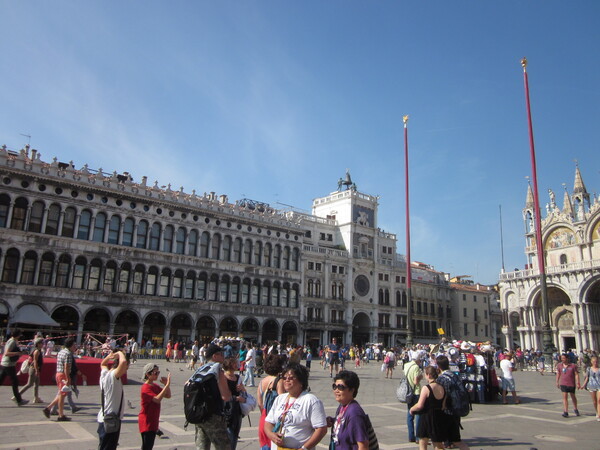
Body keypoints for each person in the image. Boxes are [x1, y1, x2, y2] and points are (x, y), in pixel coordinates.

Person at [265, 363, 328, 450]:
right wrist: (271, 434)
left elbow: (321, 429)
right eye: (284, 378)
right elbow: (268, 422)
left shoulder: (311, 400)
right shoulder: (280, 398)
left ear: (301, 381)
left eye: (291, 378)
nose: (287, 380)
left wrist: (304, 448)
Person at [191, 343, 232, 450]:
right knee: (224, 446)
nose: (224, 356)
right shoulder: (217, 370)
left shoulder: (200, 370)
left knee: (202, 447)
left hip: (199, 414)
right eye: (221, 354)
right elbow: (226, 396)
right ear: (214, 356)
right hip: (213, 416)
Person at [327, 370, 369, 450]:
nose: (336, 390)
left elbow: (363, 445)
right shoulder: (342, 406)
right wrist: (333, 421)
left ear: (352, 390)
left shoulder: (354, 413)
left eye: (341, 387)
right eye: (334, 386)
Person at [436, 355, 470, 450]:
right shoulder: (455, 375)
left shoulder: (441, 378)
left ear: (438, 366)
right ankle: (452, 441)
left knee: (445, 429)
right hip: (457, 406)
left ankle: (448, 442)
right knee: (455, 430)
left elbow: (443, 394)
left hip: (447, 408)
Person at [97, 348, 129, 450]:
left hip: (103, 418)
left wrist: (110, 356)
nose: (126, 369)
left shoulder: (105, 374)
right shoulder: (113, 376)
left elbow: (103, 364)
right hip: (111, 420)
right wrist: (119, 353)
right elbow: (123, 362)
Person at [409, 366, 446, 450]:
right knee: (438, 444)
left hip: (426, 417)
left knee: (423, 441)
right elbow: (443, 405)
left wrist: (412, 409)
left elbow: (420, 405)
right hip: (439, 416)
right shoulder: (442, 387)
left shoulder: (426, 388)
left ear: (428, 375)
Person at [43, 337, 77, 421]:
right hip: (63, 375)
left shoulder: (61, 351)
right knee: (62, 395)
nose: (75, 346)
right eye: (74, 345)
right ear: (71, 345)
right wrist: (68, 378)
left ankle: (49, 409)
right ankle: (60, 415)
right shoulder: (68, 354)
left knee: (62, 394)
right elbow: (66, 367)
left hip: (58, 373)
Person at [139, 363, 171, 450]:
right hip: (146, 421)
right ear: (147, 374)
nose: (157, 375)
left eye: (158, 372)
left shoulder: (155, 386)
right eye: (155, 373)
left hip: (153, 420)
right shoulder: (145, 387)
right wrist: (167, 385)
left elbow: (168, 395)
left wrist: (166, 385)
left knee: (149, 445)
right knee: (147, 446)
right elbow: (157, 399)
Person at [257, 353, 286, 450]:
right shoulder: (279, 381)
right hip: (273, 420)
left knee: (265, 446)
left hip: (264, 417)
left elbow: (260, 404)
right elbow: (282, 401)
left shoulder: (262, 382)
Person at [223, 357, 247, 449]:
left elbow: (244, 393)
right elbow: (222, 395)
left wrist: (242, 389)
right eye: (234, 363)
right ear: (229, 365)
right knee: (228, 435)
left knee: (235, 434)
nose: (237, 364)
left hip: (237, 410)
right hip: (227, 409)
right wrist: (236, 398)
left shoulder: (237, 377)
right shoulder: (223, 377)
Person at [0, 329, 28, 406]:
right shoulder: (12, 341)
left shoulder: (13, 341)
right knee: (15, 382)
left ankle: (19, 400)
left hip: (6, 364)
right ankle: (19, 400)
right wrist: (17, 353)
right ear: (17, 335)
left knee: (1, 381)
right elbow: (7, 353)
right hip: (8, 364)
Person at [404, 352, 423, 443]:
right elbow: (416, 381)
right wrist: (421, 376)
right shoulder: (416, 367)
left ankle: (411, 436)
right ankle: (418, 437)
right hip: (416, 392)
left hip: (408, 392)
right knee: (418, 414)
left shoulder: (406, 365)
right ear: (417, 360)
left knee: (410, 414)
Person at [18, 337, 44, 403]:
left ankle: (36, 398)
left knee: (36, 384)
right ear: (38, 344)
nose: (43, 344)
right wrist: (36, 370)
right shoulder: (36, 351)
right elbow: (35, 361)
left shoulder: (38, 350)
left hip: (36, 369)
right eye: (41, 343)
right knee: (29, 384)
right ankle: (17, 395)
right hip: (33, 369)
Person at [556, 353, 581, 417]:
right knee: (565, 397)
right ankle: (565, 411)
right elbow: (558, 374)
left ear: (567, 358)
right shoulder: (559, 365)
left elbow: (576, 374)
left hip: (571, 383)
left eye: (563, 358)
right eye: (561, 358)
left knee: (573, 396)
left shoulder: (573, 366)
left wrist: (578, 382)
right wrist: (557, 381)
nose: (562, 359)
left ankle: (575, 408)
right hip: (563, 383)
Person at [581, 356, 600, 421]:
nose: (595, 363)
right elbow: (587, 378)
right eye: (594, 362)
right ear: (591, 362)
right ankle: (597, 411)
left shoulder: (599, 369)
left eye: (596, 362)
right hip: (591, 386)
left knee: (599, 400)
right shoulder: (589, 369)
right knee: (594, 401)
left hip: (599, 386)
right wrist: (583, 385)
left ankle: (599, 415)